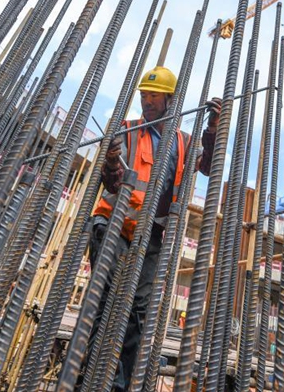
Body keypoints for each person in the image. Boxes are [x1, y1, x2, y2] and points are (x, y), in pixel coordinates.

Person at [81, 65, 221, 392]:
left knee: (138, 313)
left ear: (171, 100)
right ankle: (90, 379)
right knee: (107, 301)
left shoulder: (184, 142)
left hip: (152, 237)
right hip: (114, 227)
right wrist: (112, 162)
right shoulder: (127, 131)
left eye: (154, 95)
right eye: (144, 94)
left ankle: (119, 385)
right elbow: (111, 181)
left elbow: (209, 166)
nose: (147, 100)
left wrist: (214, 128)